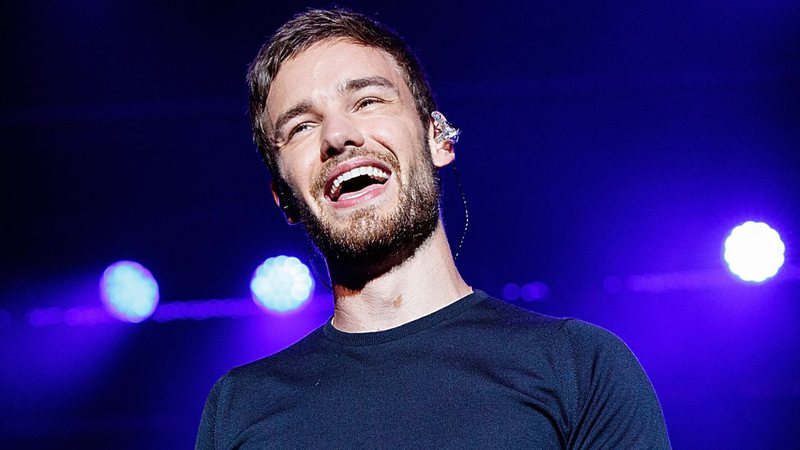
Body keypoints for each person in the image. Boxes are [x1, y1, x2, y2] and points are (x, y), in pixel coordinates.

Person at [196, 8, 670, 449]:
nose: (338, 136)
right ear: (284, 199)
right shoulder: (241, 407)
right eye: (301, 126)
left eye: (367, 100)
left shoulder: (577, 365)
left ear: (438, 138)